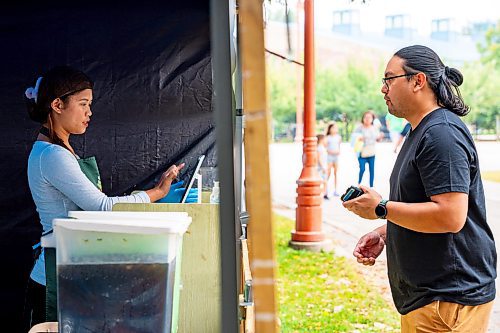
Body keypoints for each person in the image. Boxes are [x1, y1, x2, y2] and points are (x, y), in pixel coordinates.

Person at [23, 66, 192, 329]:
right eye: (83, 104)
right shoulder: (52, 156)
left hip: (69, 270)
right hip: (54, 278)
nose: (89, 112)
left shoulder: (61, 151)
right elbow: (102, 207)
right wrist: (157, 193)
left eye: (89, 104)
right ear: (57, 104)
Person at [342, 45, 496, 332]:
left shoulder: (442, 134)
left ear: (418, 80)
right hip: (430, 299)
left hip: (449, 300)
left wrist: (380, 208)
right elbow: (424, 205)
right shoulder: (421, 129)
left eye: (389, 79)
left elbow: (451, 216)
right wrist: (385, 232)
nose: (383, 89)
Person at [351, 110, 383, 188]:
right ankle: (359, 183)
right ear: (363, 118)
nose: (367, 119)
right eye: (366, 117)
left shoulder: (374, 128)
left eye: (369, 117)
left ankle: (371, 186)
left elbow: (377, 139)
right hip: (362, 152)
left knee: (372, 170)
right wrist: (359, 138)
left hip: (371, 151)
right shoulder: (359, 128)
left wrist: (380, 137)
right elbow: (353, 138)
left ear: (372, 119)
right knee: (362, 169)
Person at [325, 122, 341, 196]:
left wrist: (338, 152)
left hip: (336, 157)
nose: (334, 129)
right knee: (328, 173)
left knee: (336, 173)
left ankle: (335, 190)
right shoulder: (327, 137)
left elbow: (339, 147)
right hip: (329, 157)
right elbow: (326, 148)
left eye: (335, 127)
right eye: (333, 127)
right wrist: (332, 152)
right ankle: (325, 190)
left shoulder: (338, 137)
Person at [316, 134, 329, 199]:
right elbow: (319, 158)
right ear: (321, 140)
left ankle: (324, 193)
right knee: (322, 181)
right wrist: (323, 167)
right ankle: (322, 194)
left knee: (325, 181)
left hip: (323, 167)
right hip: (320, 168)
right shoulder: (319, 148)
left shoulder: (322, 147)